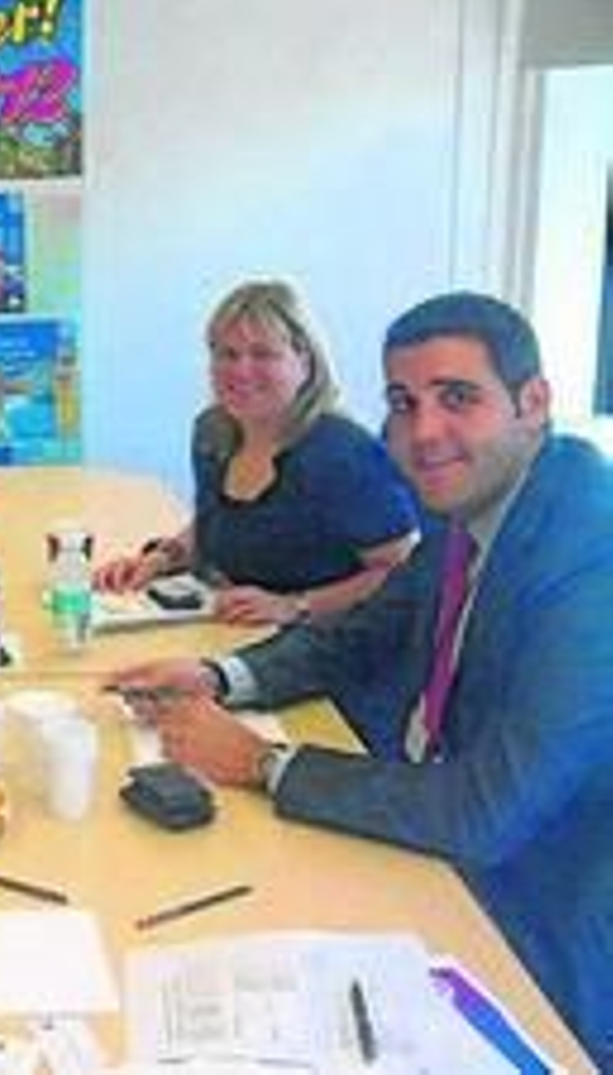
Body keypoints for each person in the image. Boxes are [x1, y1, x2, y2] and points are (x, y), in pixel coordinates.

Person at [109, 292, 613, 1066]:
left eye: (458, 397)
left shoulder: (590, 561)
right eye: (404, 402)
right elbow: (363, 631)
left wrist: (263, 761)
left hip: (541, 906)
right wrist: (218, 673)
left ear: (534, 402)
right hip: (426, 823)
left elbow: (485, 811)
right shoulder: (466, 502)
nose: (423, 432)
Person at [94, 281, 418, 625]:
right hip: (236, 624)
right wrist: (159, 560)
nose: (241, 370)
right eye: (227, 354)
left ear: (305, 361)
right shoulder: (212, 432)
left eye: (263, 354)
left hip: (330, 638)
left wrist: (295, 606)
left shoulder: (344, 454)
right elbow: (217, 523)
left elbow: (402, 569)